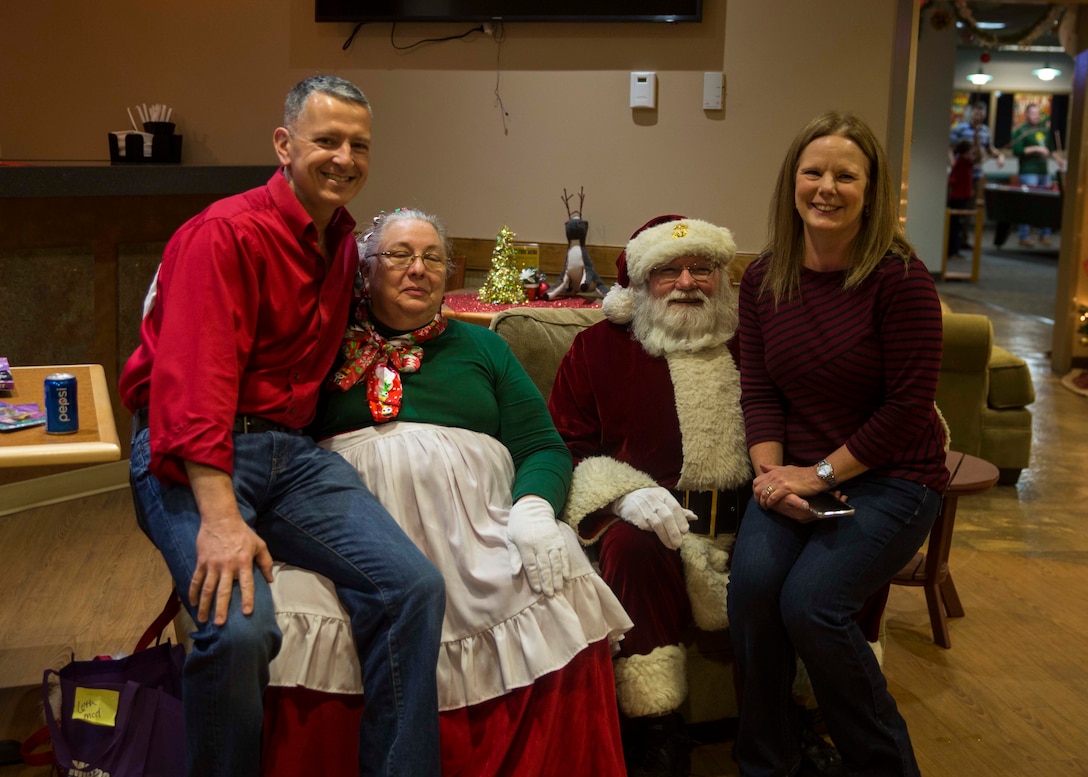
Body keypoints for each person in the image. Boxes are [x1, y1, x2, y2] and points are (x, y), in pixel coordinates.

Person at [119, 76, 446, 777]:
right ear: (284, 143)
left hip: (290, 453)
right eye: (326, 140)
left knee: (412, 586)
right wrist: (221, 519)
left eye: (359, 145)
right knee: (239, 631)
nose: (344, 157)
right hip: (191, 450)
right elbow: (193, 391)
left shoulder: (341, 241)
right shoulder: (223, 234)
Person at [287, 207, 633, 776]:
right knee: (284, 612)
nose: (418, 269)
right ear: (364, 272)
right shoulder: (319, 348)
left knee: (562, 576)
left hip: (478, 532)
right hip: (349, 540)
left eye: (433, 258)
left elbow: (543, 446)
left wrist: (533, 510)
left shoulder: (484, 349)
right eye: (399, 255)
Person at [729, 110, 949, 777]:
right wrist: (772, 477)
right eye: (813, 171)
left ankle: (885, 766)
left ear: (871, 188)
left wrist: (817, 475)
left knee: (812, 604)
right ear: (792, 182)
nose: (826, 187)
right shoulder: (765, 278)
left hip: (895, 479)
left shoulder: (902, 281)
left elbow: (908, 409)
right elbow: (760, 394)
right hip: (794, 472)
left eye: (845, 175)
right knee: (755, 587)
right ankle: (766, 763)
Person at [548, 215, 754, 777]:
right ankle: (654, 733)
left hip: (750, 517)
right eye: (667, 271)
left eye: (702, 269)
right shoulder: (597, 349)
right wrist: (621, 496)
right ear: (639, 284)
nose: (687, 281)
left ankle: (800, 719)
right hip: (647, 525)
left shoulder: (754, 343)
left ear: (722, 277)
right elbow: (561, 445)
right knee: (633, 551)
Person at [1011, 103, 1061, 247]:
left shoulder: (1043, 131)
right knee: (1028, 204)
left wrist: (1058, 159)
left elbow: (1050, 149)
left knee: (1046, 204)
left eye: (1038, 113)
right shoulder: (1020, 131)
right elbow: (1017, 150)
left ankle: (1044, 234)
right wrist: (1036, 148)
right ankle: (1024, 236)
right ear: (1026, 115)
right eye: (1033, 113)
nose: (1036, 116)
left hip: (1043, 171)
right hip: (1028, 171)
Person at [946, 139, 975, 258]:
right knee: (956, 226)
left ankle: (954, 250)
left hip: (959, 196)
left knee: (956, 225)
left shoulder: (960, 162)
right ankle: (953, 250)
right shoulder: (963, 162)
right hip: (959, 197)